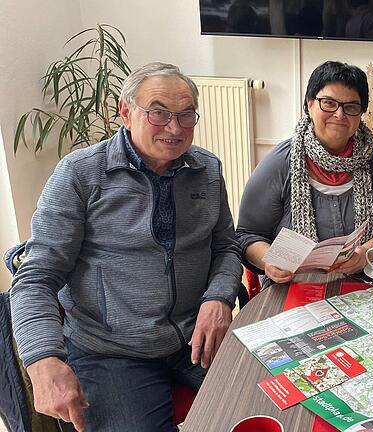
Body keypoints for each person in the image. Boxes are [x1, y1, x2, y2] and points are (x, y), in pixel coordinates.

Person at [10, 62, 243, 432]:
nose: (174, 127)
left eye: (186, 116)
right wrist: (43, 361)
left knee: (277, 401)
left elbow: (226, 247)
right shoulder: (80, 174)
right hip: (111, 351)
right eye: (158, 112)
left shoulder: (207, 169)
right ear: (126, 111)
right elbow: (36, 275)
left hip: (195, 334)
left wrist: (218, 298)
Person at [236, 61, 373, 285]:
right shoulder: (280, 163)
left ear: (361, 113)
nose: (339, 114)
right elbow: (247, 235)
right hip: (295, 286)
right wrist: (269, 262)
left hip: (367, 282)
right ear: (310, 104)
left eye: (351, 106)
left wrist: (366, 252)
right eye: (329, 103)